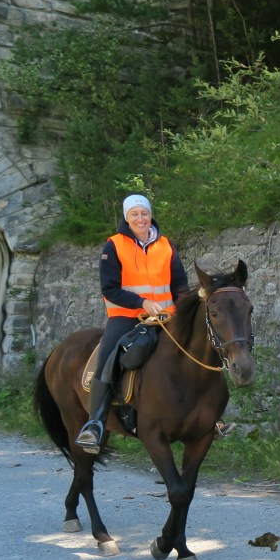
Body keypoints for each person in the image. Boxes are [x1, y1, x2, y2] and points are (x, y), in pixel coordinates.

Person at [75, 194, 189, 453]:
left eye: (144, 213)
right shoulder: (113, 246)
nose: (140, 219)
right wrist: (141, 302)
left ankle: (210, 418)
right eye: (134, 214)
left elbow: (180, 286)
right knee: (108, 356)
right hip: (126, 316)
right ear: (126, 218)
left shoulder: (166, 246)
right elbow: (110, 289)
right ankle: (95, 423)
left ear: (150, 215)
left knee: (199, 345)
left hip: (166, 317)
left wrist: (185, 309)